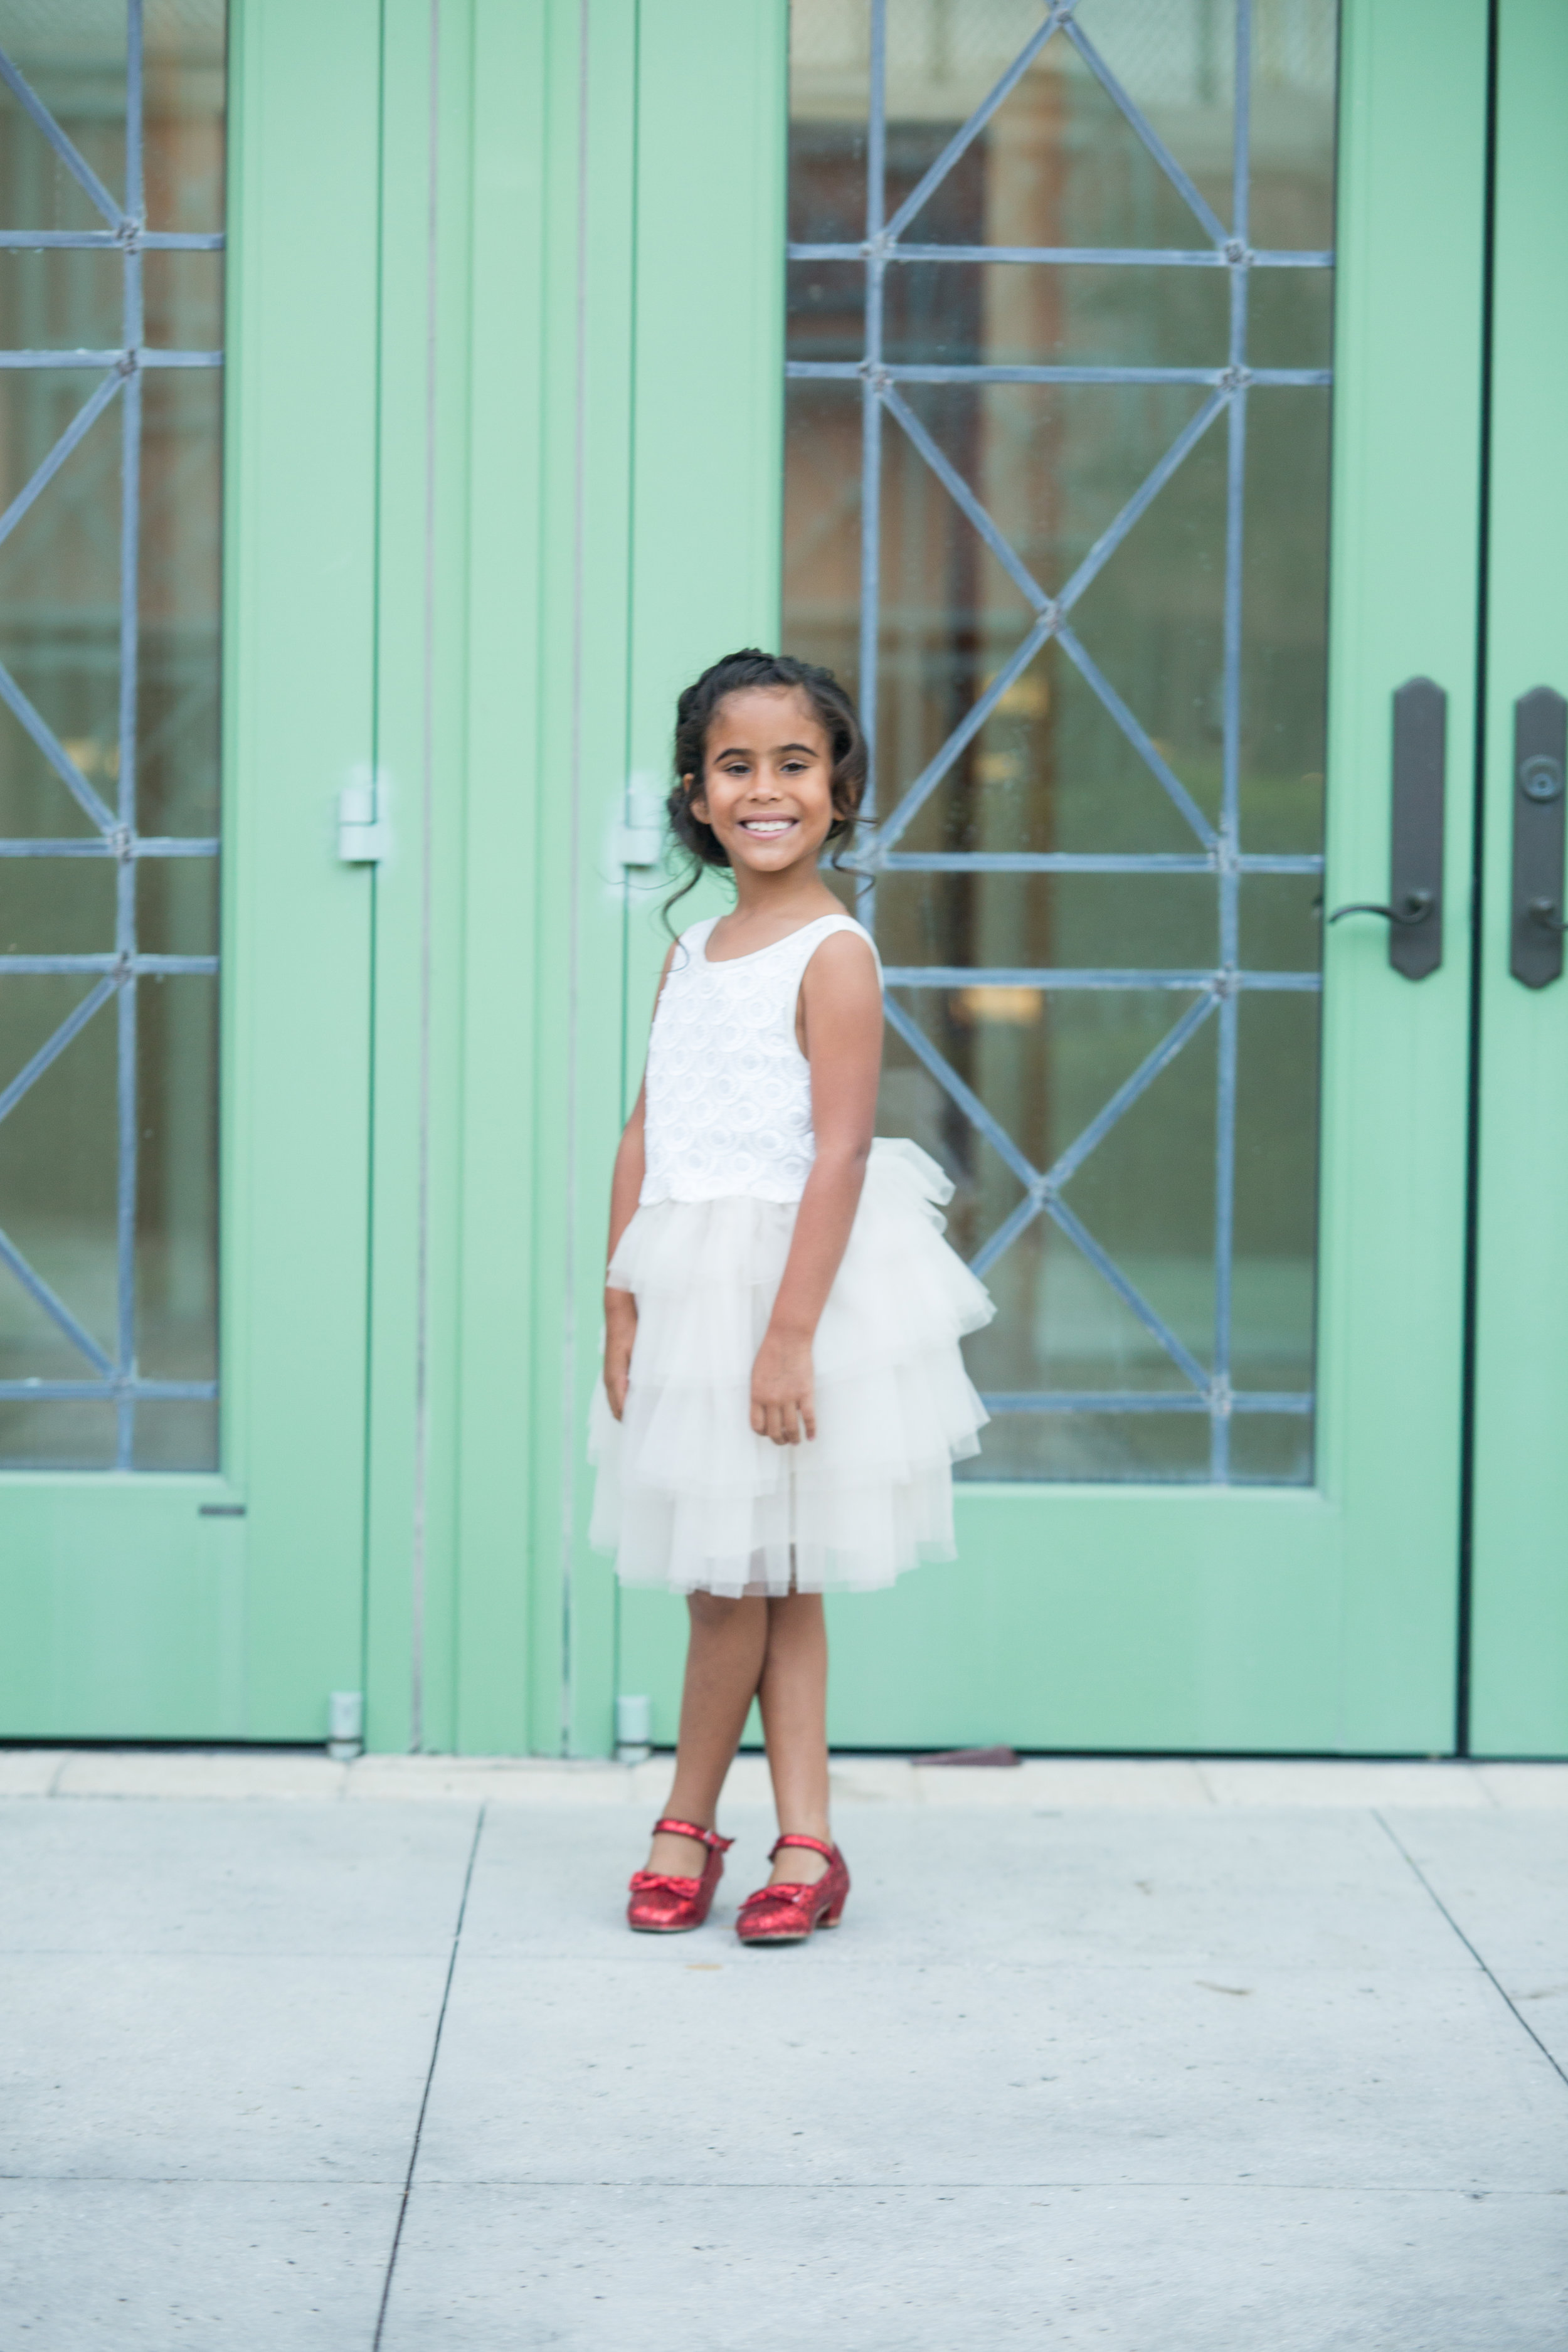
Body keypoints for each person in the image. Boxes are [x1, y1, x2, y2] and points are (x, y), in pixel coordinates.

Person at [589, 649, 993, 1944]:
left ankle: (701, 1824)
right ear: (695, 796)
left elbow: (836, 1150)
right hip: (688, 1285)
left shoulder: (833, 953)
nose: (764, 788)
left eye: (792, 764)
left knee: (752, 1578)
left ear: (837, 788)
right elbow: (645, 1132)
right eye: (734, 765)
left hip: (790, 1291)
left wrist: (788, 1337)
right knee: (754, 1576)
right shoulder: (691, 952)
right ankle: (793, 1839)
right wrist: (619, 1299)